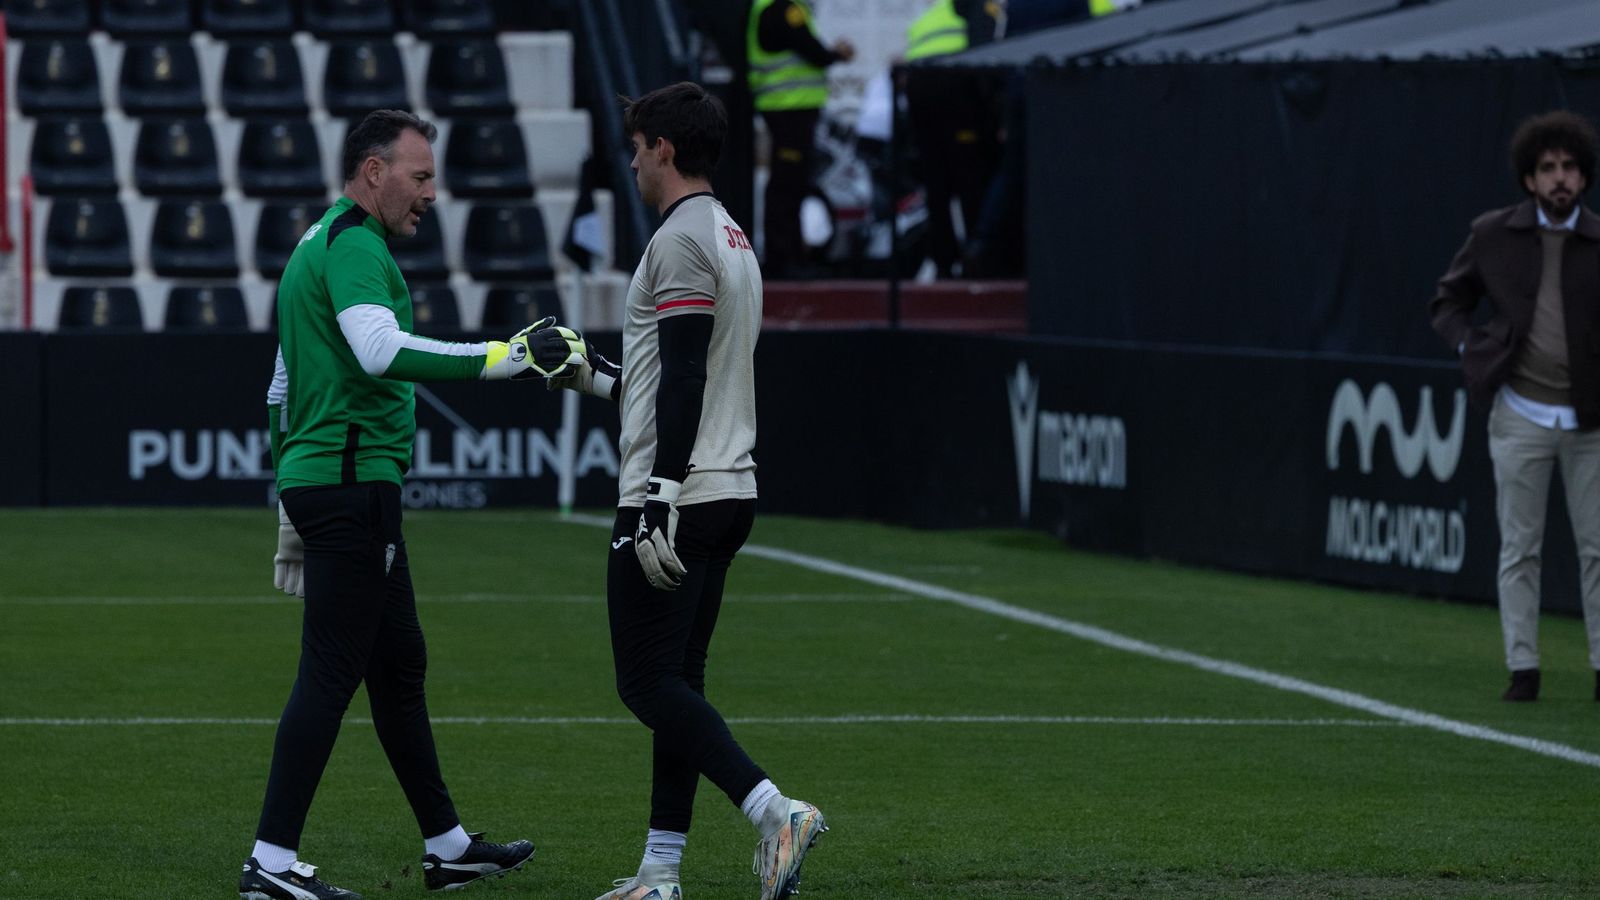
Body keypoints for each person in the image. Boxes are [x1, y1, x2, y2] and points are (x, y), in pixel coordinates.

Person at [243, 109, 583, 899]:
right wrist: (504, 357)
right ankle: (270, 864)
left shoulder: (318, 240)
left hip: (330, 482)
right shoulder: (356, 246)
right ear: (374, 172)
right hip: (351, 484)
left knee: (398, 665)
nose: (432, 193)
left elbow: (280, 385)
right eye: (420, 176)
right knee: (331, 671)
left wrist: (288, 494)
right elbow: (378, 351)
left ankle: (448, 846)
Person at [543, 81, 827, 900]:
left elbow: (687, 378)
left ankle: (776, 812)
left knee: (644, 683)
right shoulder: (729, 234)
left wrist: (658, 496)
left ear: (664, 148)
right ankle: (661, 872)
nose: (632, 162)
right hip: (727, 486)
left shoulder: (678, 240)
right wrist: (594, 376)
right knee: (677, 684)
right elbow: (673, 372)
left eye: (637, 148)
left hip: (680, 493)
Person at [1431, 109, 1600, 703]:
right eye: (1548, 168)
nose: (1560, 178)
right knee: (1519, 548)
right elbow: (1448, 302)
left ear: (1584, 176)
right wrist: (1470, 347)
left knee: (1597, 548)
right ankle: (1523, 668)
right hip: (1520, 411)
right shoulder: (1492, 234)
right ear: (1529, 178)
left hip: (1590, 420)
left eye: (1570, 167)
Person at [747, 0, 853, 278]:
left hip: (788, 107)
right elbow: (812, 51)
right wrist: (836, 54)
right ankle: (783, 260)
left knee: (791, 183)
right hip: (788, 107)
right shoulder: (783, 9)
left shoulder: (776, 7)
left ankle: (789, 256)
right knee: (787, 185)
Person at [902, 0, 1000, 279]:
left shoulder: (929, 16)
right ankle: (977, 260)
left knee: (938, 188)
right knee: (971, 183)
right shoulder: (976, 8)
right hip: (956, 100)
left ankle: (943, 262)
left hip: (923, 103)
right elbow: (985, 57)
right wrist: (993, 112)